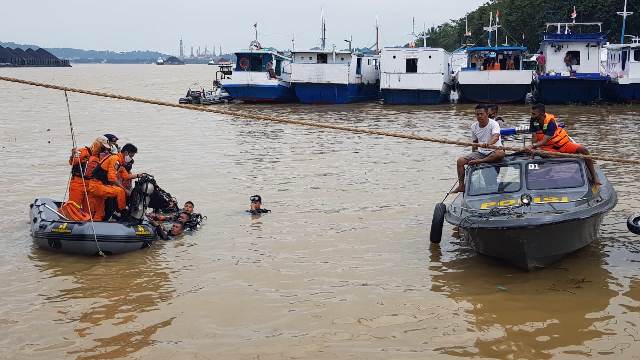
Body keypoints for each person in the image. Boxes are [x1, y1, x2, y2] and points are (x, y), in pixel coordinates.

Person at [525, 103, 600, 184]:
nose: (531, 115)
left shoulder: (551, 122)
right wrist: (532, 148)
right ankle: (571, 157)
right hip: (548, 148)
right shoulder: (533, 120)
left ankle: (594, 177)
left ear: (542, 114)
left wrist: (532, 146)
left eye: (533, 114)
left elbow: (545, 140)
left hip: (563, 145)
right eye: (531, 113)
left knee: (584, 150)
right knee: (541, 153)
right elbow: (534, 138)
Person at [452, 104, 505, 193]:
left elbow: (496, 137)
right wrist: (473, 155)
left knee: (501, 153)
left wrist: (488, 143)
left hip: (494, 151)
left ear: (487, 114)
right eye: (477, 114)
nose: (479, 116)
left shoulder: (494, 123)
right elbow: (475, 143)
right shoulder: (474, 126)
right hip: (481, 152)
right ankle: (461, 186)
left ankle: (480, 161)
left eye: (481, 114)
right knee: (460, 161)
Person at [85, 137, 128, 221]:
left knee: (100, 212)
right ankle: (121, 213)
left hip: (96, 186)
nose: (105, 151)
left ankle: (98, 224)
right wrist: (125, 189)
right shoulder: (113, 159)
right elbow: (111, 178)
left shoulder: (106, 158)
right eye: (104, 149)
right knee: (120, 191)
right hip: (96, 186)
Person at [67, 137, 108, 211]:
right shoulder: (83, 151)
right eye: (102, 147)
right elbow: (72, 162)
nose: (103, 150)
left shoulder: (101, 157)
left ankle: (86, 220)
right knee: (73, 206)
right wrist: (73, 155)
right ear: (97, 144)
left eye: (104, 148)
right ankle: (71, 219)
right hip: (78, 182)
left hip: (90, 184)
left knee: (89, 208)